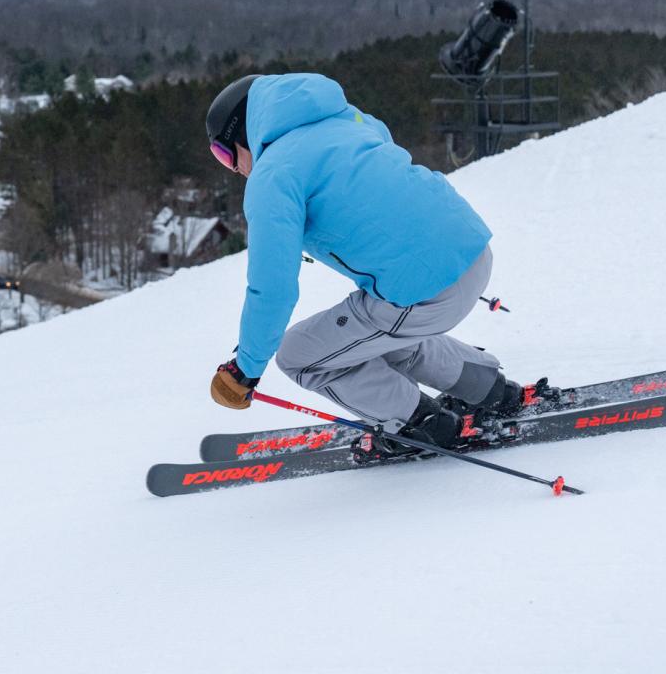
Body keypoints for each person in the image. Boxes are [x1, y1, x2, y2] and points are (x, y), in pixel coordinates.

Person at [204, 72, 526, 454]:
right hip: (473, 251)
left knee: (299, 356)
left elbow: (272, 288)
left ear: (244, 133)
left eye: (224, 155)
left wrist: (246, 368)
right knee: (372, 338)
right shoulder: (346, 120)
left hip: (424, 292)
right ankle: (489, 388)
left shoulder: (273, 175)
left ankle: (419, 424)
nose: (236, 169)